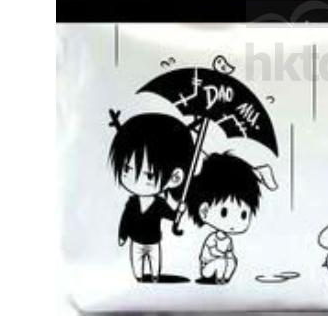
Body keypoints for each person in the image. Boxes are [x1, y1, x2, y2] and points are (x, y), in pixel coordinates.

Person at [108, 111, 193, 282]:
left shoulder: (159, 204)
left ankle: (154, 278)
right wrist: (122, 235)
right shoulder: (132, 203)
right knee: (137, 268)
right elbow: (126, 220)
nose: (134, 180)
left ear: (175, 178)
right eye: (127, 169)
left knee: (155, 266)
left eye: (148, 175)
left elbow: (172, 216)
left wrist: (180, 211)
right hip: (136, 242)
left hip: (154, 242)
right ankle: (140, 279)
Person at [187, 152, 262, 284]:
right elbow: (209, 253)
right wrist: (221, 255)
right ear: (204, 211)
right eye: (224, 212)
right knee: (221, 262)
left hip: (221, 262)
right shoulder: (212, 238)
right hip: (208, 268)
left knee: (232, 262)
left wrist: (230, 257)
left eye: (243, 215)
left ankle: (225, 278)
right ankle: (218, 279)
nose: (233, 223)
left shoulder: (227, 240)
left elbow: (229, 252)